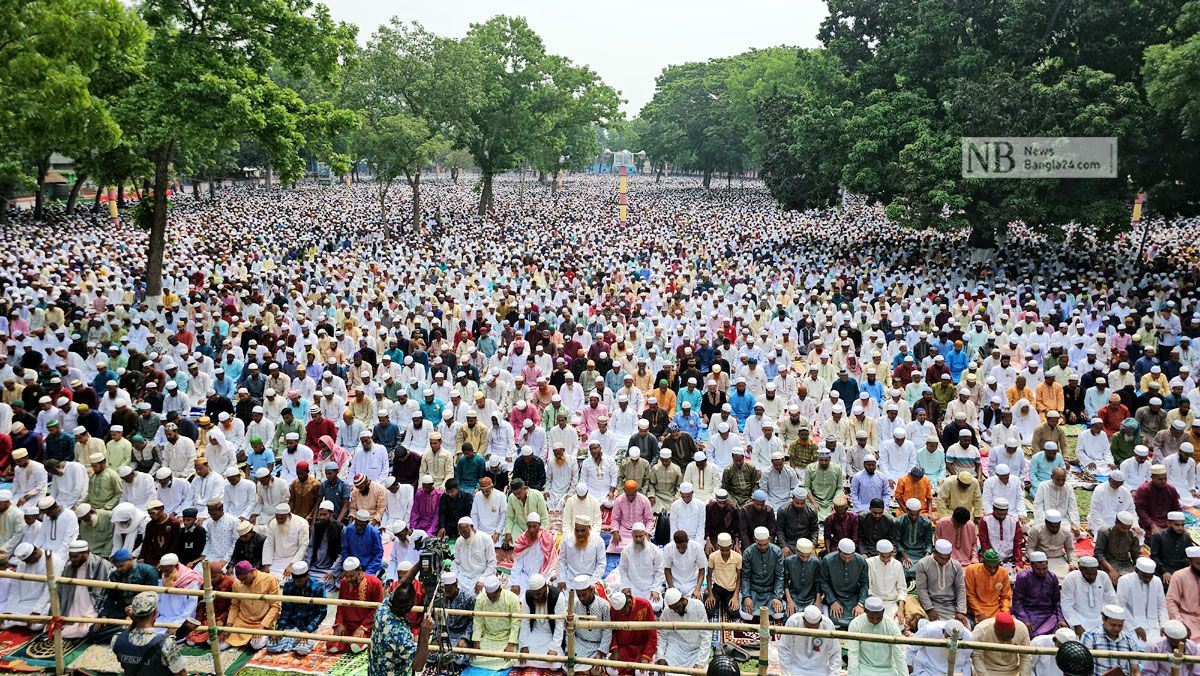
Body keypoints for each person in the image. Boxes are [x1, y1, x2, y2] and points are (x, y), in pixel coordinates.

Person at [366, 564, 433, 676]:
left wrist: (420, 563)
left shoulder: (384, 608)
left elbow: (402, 584)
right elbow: (418, 665)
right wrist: (425, 633)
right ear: (410, 607)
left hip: (375, 671)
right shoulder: (401, 634)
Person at [110, 592, 187, 676]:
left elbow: (129, 637)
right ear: (155, 612)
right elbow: (181, 673)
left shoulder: (117, 640)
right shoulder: (166, 643)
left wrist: (134, 621)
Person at [56, 539, 115, 640]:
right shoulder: (69, 565)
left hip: (91, 608)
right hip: (72, 605)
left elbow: (101, 594)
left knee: (83, 630)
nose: (72, 560)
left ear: (86, 554)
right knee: (57, 625)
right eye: (70, 556)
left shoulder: (101, 565)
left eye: (75, 557)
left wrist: (88, 614)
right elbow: (62, 590)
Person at [265, 561, 325, 656]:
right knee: (271, 646)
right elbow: (285, 610)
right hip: (291, 625)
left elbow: (322, 613)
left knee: (302, 650)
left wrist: (307, 631)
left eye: (300, 581)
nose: (297, 583)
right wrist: (280, 629)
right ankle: (291, 642)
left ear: (307, 576)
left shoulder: (318, 587)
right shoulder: (289, 585)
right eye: (295, 581)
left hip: (307, 626)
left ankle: (296, 642)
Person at [218, 560, 281, 651]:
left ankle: (258, 636)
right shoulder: (237, 583)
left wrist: (261, 627)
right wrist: (229, 626)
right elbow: (234, 606)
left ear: (252, 571)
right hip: (243, 621)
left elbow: (275, 606)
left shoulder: (270, 580)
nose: (243, 582)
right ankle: (246, 639)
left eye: (244, 579)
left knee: (256, 645)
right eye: (240, 580)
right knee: (220, 645)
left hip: (262, 621)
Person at [330, 556, 384, 654]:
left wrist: (363, 627)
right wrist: (339, 623)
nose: (349, 579)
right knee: (332, 647)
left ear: (359, 570)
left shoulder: (375, 583)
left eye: (351, 576)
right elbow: (340, 604)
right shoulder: (344, 582)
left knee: (355, 648)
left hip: (365, 626)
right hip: (347, 625)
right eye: (347, 576)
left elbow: (377, 609)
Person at [517, 573, 566, 671]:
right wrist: (524, 645)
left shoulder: (557, 596)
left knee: (554, 665)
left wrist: (554, 648)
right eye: (533, 594)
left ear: (545, 587)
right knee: (520, 662)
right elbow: (525, 621)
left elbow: (559, 624)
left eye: (538, 594)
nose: (536, 597)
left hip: (550, 635)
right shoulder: (527, 596)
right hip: (534, 633)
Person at [472, 575, 522, 670]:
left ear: (500, 590)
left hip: (506, 638)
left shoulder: (512, 598)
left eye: (494, 596)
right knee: (474, 658)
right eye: (489, 596)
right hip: (488, 637)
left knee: (509, 658)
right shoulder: (481, 599)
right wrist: (476, 642)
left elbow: (516, 623)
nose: (491, 599)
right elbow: (478, 621)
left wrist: (511, 644)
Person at [1013, 551, 1068, 637]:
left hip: (1048, 614)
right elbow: (1017, 602)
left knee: (1059, 631)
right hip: (1028, 612)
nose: (1042, 572)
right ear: (1031, 565)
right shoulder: (1023, 577)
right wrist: (1024, 619)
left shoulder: (1052, 577)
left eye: (1044, 569)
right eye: (1038, 569)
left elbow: (1057, 601)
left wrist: (1061, 618)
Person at [846, 596, 906, 675]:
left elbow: (899, 655)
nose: (875, 620)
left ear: (883, 611)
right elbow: (853, 654)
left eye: (878, 618)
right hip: (864, 668)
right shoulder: (856, 624)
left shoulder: (892, 626)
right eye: (871, 617)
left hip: (888, 670)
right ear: (865, 611)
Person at [1061, 556, 1118, 637]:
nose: (1092, 577)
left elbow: (1112, 599)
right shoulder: (1071, 578)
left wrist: (1112, 619)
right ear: (1080, 569)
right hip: (1079, 618)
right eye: (1088, 574)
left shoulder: (1103, 576)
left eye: (1094, 574)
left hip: (1100, 618)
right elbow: (1066, 604)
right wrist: (1076, 625)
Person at [915, 539, 967, 625]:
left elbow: (960, 588)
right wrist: (930, 609)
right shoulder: (923, 564)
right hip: (930, 604)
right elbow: (921, 588)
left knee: (962, 628)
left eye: (947, 558)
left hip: (951, 605)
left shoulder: (956, 565)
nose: (944, 561)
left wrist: (960, 611)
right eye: (941, 558)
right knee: (932, 628)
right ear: (934, 552)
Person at [1080, 604, 1143, 676]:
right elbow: (1083, 669)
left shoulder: (1129, 640)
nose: (1116, 628)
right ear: (1103, 619)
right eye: (1113, 625)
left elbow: (1135, 671)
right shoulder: (1089, 636)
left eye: (1120, 625)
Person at [820, 536, 869, 628]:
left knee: (860, 619)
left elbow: (864, 583)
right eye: (844, 557)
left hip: (853, 597)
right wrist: (833, 601)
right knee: (834, 620)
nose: (847, 560)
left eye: (850, 557)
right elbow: (823, 582)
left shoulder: (861, 561)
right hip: (835, 596)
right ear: (838, 550)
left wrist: (860, 604)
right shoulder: (827, 560)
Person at [1119, 556, 1169, 643]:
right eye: (1145, 576)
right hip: (1131, 624)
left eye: (1150, 576)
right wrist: (1135, 627)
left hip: (1154, 625)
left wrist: (1164, 626)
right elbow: (1121, 606)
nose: (1148, 579)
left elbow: (1161, 606)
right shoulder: (1125, 580)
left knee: (1160, 646)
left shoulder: (1157, 581)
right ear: (1137, 571)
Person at [569, 574, 613, 674]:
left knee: (595, 671)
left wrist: (600, 653)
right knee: (569, 667)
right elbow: (570, 630)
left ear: (591, 590)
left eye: (584, 594)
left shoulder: (603, 605)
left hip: (597, 646)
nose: (582, 598)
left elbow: (607, 631)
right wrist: (570, 649)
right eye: (579, 595)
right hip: (579, 644)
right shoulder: (574, 605)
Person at [740, 525, 785, 621]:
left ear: (769, 539)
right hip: (754, 591)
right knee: (747, 616)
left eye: (765, 544)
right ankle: (742, 599)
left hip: (770, 591)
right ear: (754, 540)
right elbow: (745, 576)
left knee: (779, 615)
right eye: (760, 545)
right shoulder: (748, 552)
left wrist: (777, 597)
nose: (763, 547)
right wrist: (746, 596)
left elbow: (779, 576)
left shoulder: (776, 551)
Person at [778, 605, 840, 674]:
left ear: (820, 621)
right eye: (809, 627)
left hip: (820, 670)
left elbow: (835, 652)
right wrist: (786, 673)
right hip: (796, 668)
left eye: (815, 627)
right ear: (803, 619)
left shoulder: (828, 625)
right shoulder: (793, 622)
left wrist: (834, 674)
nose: (812, 630)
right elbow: (783, 647)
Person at [607, 591, 658, 673]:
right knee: (610, 670)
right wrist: (615, 650)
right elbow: (612, 631)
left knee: (642, 673)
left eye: (623, 612)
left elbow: (652, 633)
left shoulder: (644, 605)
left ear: (629, 603)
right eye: (619, 613)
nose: (622, 615)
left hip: (643, 648)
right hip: (624, 649)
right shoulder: (613, 609)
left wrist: (646, 656)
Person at [618, 522, 665, 611]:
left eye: (641, 536)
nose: (639, 539)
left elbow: (659, 571)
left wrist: (655, 589)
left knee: (655, 607)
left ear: (645, 534)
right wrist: (626, 585)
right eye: (636, 536)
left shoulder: (654, 550)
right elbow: (623, 570)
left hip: (650, 586)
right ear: (632, 535)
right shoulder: (626, 550)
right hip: (633, 586)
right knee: (628, 606)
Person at [971, 610, 1033, 675]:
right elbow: (976, 656)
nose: (1006, 641)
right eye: (1003, 638)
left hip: (1012, 670)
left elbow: (1026, 657)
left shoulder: (1021, 629)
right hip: (987, 669)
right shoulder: (981, 630)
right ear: (995, 629)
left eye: (1009, 637)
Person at [154, 553, 201, 626]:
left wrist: (179, 622)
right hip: (162, 618)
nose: (165, 573)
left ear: (176, 566)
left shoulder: (191, 579)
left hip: (182, 619)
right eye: (163, 570)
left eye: (167, 570)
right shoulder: (164, 576)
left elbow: (192, 603)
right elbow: (159, 599)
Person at [965, 549, 1012, 621]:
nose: (993, 570)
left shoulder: (1003, 572)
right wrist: (979, 613)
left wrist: (1005, 611)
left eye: (996, 567)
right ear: (983, 563)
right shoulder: (972, 570)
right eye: (989, 567)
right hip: (976, 610)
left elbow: (1005, 596)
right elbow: (970, 595)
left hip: (997, 610)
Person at [706, 532, 742, 620]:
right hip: (717, 588)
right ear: (718, 546)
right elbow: (709, 576)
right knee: (708, 612)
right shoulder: (713, 556)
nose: (725, 552)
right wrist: (710, 594)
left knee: (734, 613)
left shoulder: (738, 557)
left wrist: (735, 596)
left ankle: (725, 601)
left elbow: (739, 578)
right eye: (722, 550)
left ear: (731, 545)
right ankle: (708, 596)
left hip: (731, 590)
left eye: (727, 550)